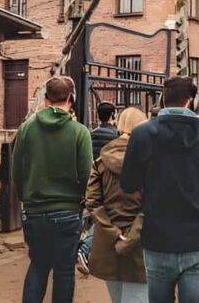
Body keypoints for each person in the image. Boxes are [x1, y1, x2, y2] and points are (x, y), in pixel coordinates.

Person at [120, 76, 199, 303]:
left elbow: (127, 184)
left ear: (163, 100)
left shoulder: (142, 134)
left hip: (157, 238)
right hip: (197, 237)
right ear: (190, 101)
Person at [12, 76, 92, 303]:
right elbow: (86, 175)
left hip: (35, 210)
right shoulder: (80, 132)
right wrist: (83, 204)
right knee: (64, 272)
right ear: (71, 98)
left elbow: (16, 171)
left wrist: (25, 199)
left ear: (46, 100)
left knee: (38, 266)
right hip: (67, 211)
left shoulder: (26, 129)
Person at [85, 107, 149, 303]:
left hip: (107, 243)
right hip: (142, 242)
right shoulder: (150, 161)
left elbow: (92, 202)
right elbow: (153, 203)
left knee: (117, 298)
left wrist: (113, 233)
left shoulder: (100, 161)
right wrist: (132, 235)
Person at [78, 101, 121, 274]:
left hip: (93, 180)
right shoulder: (116, 136)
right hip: (109, 183)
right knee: (102, 218)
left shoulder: (91, 134)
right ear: (113, 116)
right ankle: (84, 249)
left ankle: (78, 245)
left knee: (88, 214)